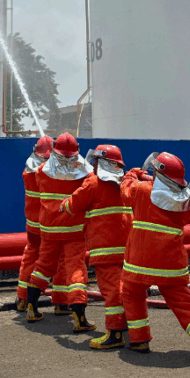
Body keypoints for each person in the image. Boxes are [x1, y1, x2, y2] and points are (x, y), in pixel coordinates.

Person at [118, 152, 190, 365]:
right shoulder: (185, 201)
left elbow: (125, 191)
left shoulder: (142, 190)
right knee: (184, 304)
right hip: (172, 265)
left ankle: (139, 340)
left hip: (140, 263)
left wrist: (131, 174)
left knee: (132, 295)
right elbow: (187, 216)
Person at [59, 145, 133, 349]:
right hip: (127, 246)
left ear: (99, 162)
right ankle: (129, 326)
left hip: (105, 247)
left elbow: (75, 204)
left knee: (112, 290)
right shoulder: (126, 181)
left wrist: (63, 204)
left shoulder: (93, 182)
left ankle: (115, 334)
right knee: (127, 286)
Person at [25, 133, 94, 332]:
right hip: (74, 230)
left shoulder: (41, 172)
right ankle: (79, 318)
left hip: (49, 229)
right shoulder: (86, 174)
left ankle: (31, 308)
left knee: (43, 266)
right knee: (76, 269)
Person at [17, 135, 52, 311]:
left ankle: (22, 298)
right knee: (51, 260)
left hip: (32, 224)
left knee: (30, 257)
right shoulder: (49, 174)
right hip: (47, 225)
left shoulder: (28, 170)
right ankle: (60, 300)